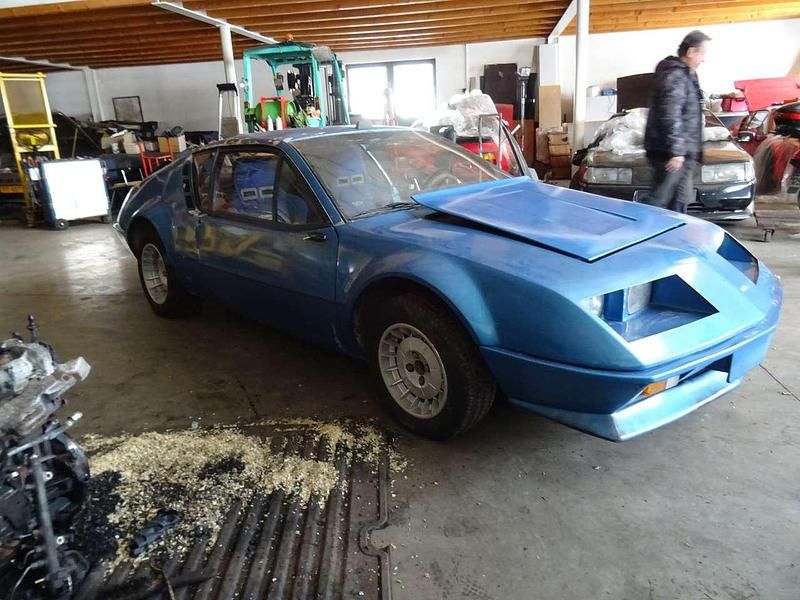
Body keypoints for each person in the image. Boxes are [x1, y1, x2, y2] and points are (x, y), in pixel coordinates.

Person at [644, 30, 711, 213]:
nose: (703, 59)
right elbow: (670, 114)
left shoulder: (686, 75)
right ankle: (638, 234)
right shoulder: (674, 76)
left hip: (683, 151)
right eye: (702, 53)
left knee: (679, 200)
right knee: (659, 200)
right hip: (669, 153)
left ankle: (673, 239)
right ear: (690, 52)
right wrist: (676, 151)